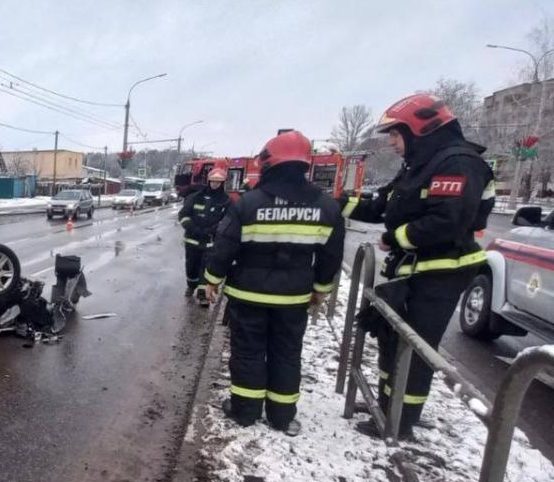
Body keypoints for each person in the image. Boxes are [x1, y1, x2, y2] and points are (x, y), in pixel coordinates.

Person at [341, 93, 494, 438]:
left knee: (415, 344)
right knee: (391, 337)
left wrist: (394, 239)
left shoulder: (458, 163)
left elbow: (447, 222)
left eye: (396, 135)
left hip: (441, 272)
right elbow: (382, 205)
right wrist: (333, 203)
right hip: (412, 271)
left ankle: (401, 420)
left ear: (420, 129)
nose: (393, 143)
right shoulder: (420, 166)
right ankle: (386, 402)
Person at [203, 130, 344, 435]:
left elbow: (225, 246)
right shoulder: (326, 206)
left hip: (248, 295)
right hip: (294, 298)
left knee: (248, 352)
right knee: (287, 353)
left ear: (268, 164)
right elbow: (331, 256)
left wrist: (211, 280)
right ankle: (281, 417)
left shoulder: (247, 203)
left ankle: (245, 411)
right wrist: (321, 290)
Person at [178, 167, 231, 301]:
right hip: (192, 240)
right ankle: (191, 285)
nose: (215, 184)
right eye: (213, 181)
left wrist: (213, 230)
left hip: (210, 242)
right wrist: (192, 228)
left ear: (222, 183)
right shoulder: (196, 197)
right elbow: (183, 215)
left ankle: (203, 295)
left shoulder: (226, 201)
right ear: (208, 181)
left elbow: (227, 220)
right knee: (191, 267)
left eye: (218, 182)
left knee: (206, 268)